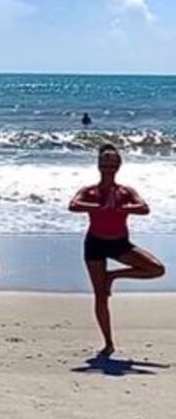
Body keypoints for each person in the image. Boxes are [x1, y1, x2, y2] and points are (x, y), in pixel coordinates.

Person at [68, 144, 164, 356]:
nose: (108, 168)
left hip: (120, 244)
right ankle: (108, 343)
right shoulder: (89, 191)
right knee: (100, 296)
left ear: (118, 166)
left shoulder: (126, 191)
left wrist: (121, 208)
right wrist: (99, 208)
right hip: (95, 244)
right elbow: (73, 205)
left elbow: (144, 208)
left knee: (156, 269)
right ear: (99, 166)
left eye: (112, 164)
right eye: (105, 164)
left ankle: (113, 276)